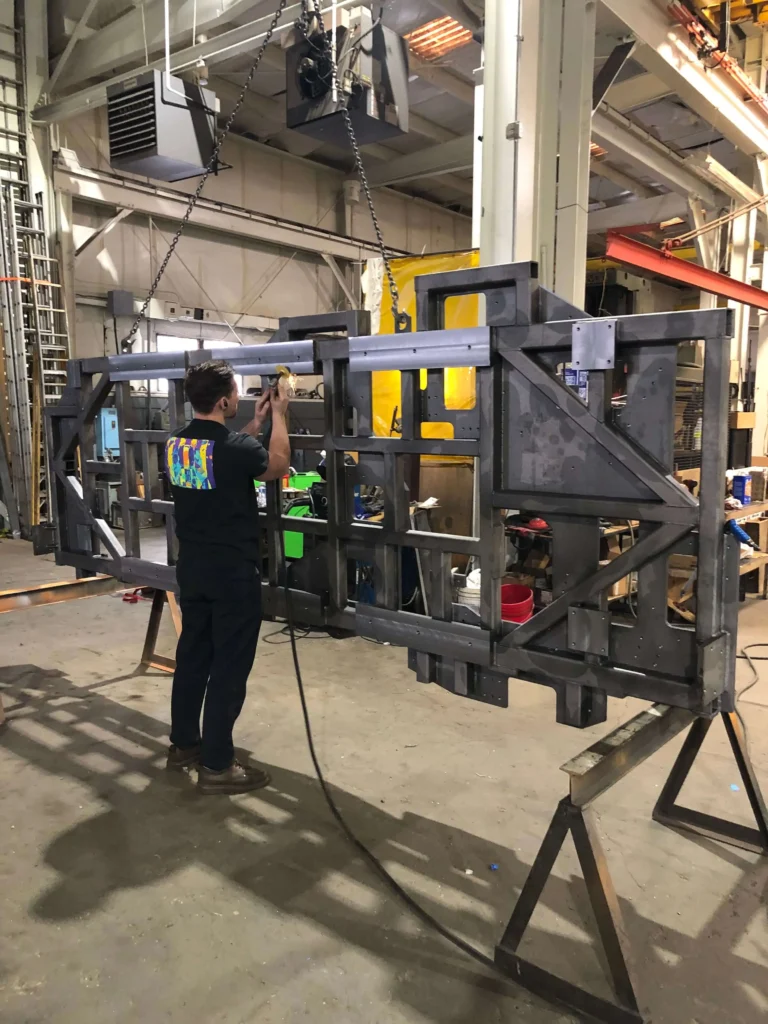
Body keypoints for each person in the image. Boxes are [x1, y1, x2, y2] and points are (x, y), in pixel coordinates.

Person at [164, 360, 291, 794]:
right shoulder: (234, 448)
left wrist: (252, 423)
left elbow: (220, 461)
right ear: (223, 400)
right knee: (229, 668)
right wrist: (279, 416)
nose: (240, 399)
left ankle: (184, 744)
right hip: (232, 573)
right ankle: (218, 765)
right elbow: (277, 465)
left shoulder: (177, 445)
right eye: (236, 394)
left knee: (194, 657)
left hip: (193, 568)